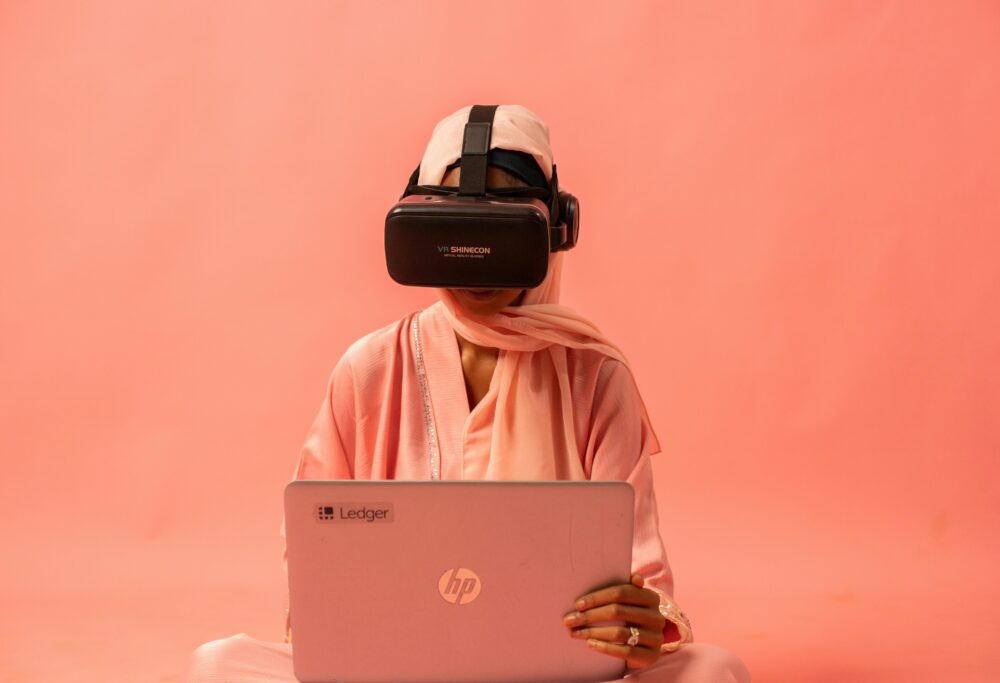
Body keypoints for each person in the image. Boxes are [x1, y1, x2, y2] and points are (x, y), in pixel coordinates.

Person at [185, 104, 751, 683]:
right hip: (393, 669)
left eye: (501, 229)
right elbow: (315, 562)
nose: (477, 257)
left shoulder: (597, 377)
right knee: (218, 665)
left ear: (554, 230)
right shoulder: (369, 368)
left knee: (714, 672)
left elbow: (642, 590)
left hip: (555, 674)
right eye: (456, 228)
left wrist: (637, 628)